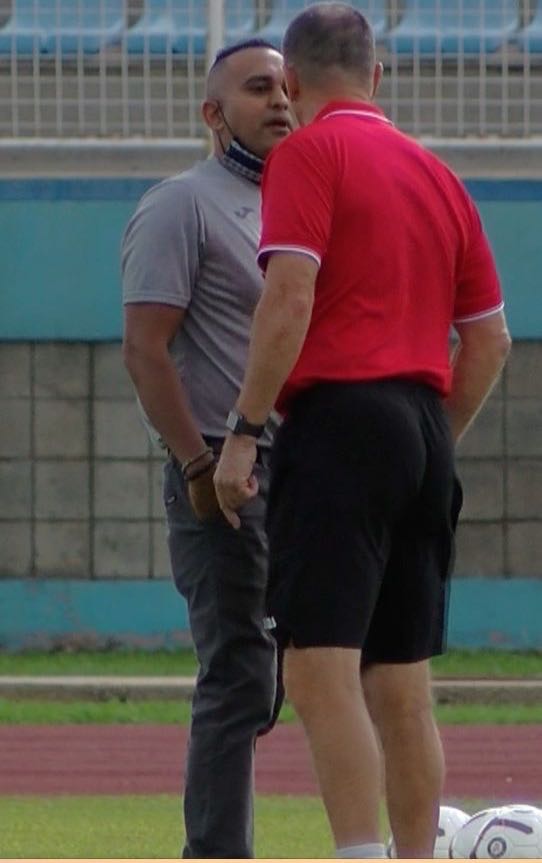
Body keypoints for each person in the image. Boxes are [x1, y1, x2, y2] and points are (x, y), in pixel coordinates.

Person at [214, 3, 511, 859]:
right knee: (402, 679)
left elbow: (290, 296)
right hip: (423, 421)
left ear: (296, 82)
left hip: (340, 417)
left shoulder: (307, 153)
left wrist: (244, 430)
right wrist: (429, 434)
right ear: (379, 77)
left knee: (316, 665)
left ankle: (358, 852)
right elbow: (489, 337)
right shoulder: (437, 173)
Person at [121, 39, 292, 858]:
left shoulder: (302, 208)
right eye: (260, 89)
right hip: (223, 465)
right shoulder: (181, 204)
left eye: (289, 88)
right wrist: (195, 461)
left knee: (284, 676)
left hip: (305, 464)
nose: (282, 103)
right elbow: (145, 349)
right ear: (214, 113)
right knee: (236, 676)